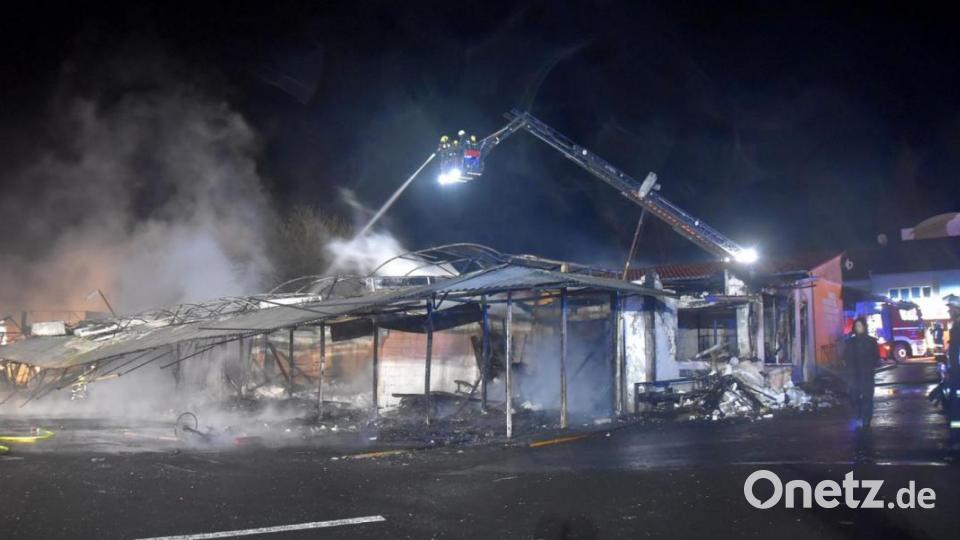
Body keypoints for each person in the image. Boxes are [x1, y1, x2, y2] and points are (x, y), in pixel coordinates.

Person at [843, 316, 879, 429]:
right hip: (854, 375)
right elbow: (845, 357)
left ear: (864, 327)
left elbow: (876, 357)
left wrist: (870, 366)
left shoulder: (871, 341)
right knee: (854, 397)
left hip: (867, 375)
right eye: (857, 326)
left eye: (860, 325)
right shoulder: (850, 342)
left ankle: (866, 419)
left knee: (867, 397)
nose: (859, 328)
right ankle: (858, 414)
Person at [944, 295, 960, 447]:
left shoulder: (958, 328)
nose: (949, 311)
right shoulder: (955, 327)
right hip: (955, 375)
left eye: (951, 309)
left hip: (958, 376)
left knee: (956, 408)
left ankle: (957, 440)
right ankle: (956, 439)